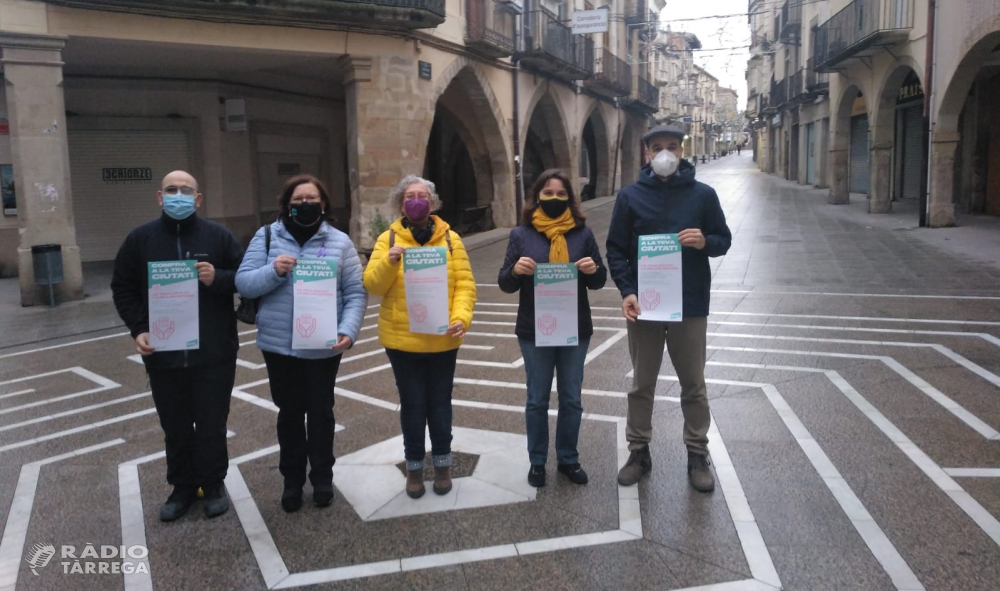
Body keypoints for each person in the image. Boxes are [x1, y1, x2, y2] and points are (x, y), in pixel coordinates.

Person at [606, 124, 732, 493]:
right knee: (641, 383)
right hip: (645, 305)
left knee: (693, 383)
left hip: (690, 305)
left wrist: (704, 241)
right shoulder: (630, 197)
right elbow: (615, 249)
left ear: (682, 150)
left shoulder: (703, 195)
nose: (665, 154)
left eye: (672, 147)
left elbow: (723, 239)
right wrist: (627, 291)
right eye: (657, 147)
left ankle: (697, 453)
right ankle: (639, 451)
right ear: (647, 153)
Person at [111, 170, 243, 521]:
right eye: (172, 190)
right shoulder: (140, 240)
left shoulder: (219, 237)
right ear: (159, 197)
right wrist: (138, 328)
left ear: (198, 199)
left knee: (212, 422)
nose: (178, 195)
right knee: (175, 424)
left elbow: (245, 277)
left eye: (186, 190)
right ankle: (182, 486)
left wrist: (219, 278)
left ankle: (214, 483)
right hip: (164, 353)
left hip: (214, 352)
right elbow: (122, 287)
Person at [235, 175, 367, 513]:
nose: (305, 204)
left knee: (321, 413)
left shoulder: (340, 243)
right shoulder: (266, 237)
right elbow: (244, 283)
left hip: (323, 345)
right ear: (287, 205)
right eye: (298, 199)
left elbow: (355, 292)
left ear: (323, 204)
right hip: (280, 347)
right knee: (290, 413)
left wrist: (348, 330)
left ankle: (322, 477)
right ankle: (291, 481)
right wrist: (273, 271)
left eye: (312, 198)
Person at [363, 175, 476, 499]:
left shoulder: (451, 239)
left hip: (443, 340)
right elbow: (372, 285)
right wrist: (389, 262)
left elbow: (465, 285)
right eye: (410, 196)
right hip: (403, 342)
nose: (416, 201)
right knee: (413, 406)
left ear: (433, 203)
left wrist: (460, 318)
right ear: (401, 204)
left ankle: (442, 465)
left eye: (422, 196)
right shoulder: (388, 239)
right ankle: (414, 467)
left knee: (440, 404)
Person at [498, 169, 607, 487]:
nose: (555, 199)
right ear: (536, 198)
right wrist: (515, 271)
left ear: (570, 199)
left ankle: (568, 459)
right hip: (535, 329)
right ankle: (537, 461)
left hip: (575, 328)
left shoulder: (582, 234)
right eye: (548, 193)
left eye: (561, 194)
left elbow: (599, 280)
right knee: (537, 398)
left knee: (572, 397)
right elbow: (505, 283)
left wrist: (592, 269)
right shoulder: (521, 235)